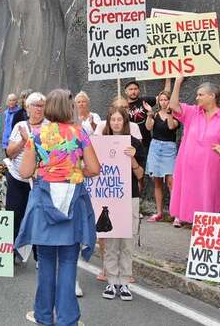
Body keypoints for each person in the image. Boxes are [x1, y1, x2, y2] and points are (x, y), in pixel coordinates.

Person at [16, 89, 100, 326]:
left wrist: (46, 169)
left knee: (45, 263)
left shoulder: (37, 134)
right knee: (67, 263)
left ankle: (43, 315)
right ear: (69, 108)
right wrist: (74, 170)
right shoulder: (80, 133)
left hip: (45, 200)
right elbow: (94, 169)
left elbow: (23, 172)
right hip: (72, 200)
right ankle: (67, 319)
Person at [168, 75, 220, 227]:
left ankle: (207, 245)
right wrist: (178, 82)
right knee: (191, 206)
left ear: (212, 96)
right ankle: (197, 246)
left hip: (212, 170)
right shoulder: (192, 112)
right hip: (189, 169)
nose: (197, 98)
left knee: (209, 206)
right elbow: (173, 105)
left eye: (200, 95)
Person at [99, 107, 145, 301]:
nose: (116, 123)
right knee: (110, 242)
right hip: (109, 196)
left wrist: (132, 158)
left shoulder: (135, 143)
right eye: (113, 120)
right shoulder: (100, 143)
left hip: (130, 196)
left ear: (125, 122)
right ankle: (111, 281)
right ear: (108, 122)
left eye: (120, 120)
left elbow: (141, 175)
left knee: (127, 241)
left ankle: (124, 282)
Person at [5, 92, 46, 255]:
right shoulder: (20, 126)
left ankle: (39, 254)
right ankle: (11, 251)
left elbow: (50, 156)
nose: (39, 109)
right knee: (15, 215)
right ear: (27, 108)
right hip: (17, 177)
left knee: (39, 217)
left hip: (40, 180)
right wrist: (23, 140)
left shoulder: (50, 127)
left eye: (42, 106)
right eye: (35, 105)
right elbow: (10, 152)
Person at [144, 90, 178, 222]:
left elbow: (171, 127)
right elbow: (148, 128)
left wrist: (169, 113)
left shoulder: (176, 115)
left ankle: (176, 214)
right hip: (155, 147)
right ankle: (159, 213)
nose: (164, 102)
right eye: (162, 100)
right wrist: (149, 114)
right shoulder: (156, 114)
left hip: (169, 148)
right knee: (157, 182)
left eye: (166, 99)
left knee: (171, 182)